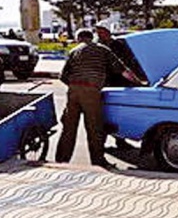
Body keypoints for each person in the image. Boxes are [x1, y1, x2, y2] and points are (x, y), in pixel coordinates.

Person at [55, 28, 143, 170]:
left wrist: (75, 86)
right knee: (95, 128)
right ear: (92, 37)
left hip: (73, 91)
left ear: (79, 39)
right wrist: (139, 83)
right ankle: (98, 162)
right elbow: (123, 70)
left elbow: (63, 76)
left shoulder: (73, 51)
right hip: (92, 91)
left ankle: (61, 161)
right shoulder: (102, 50)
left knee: (69, 128)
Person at [95, 21, 146, 150]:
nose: (99, 34)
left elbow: (128, 63)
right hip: (103, 84)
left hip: (119, 82)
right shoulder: (97, 45)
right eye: (98, 31)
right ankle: (101, 143)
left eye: (101, 31)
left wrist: (136, 79)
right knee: (103, 114)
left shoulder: (118, 45)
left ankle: (120, 140)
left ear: (108, 32)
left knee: (118, 113)